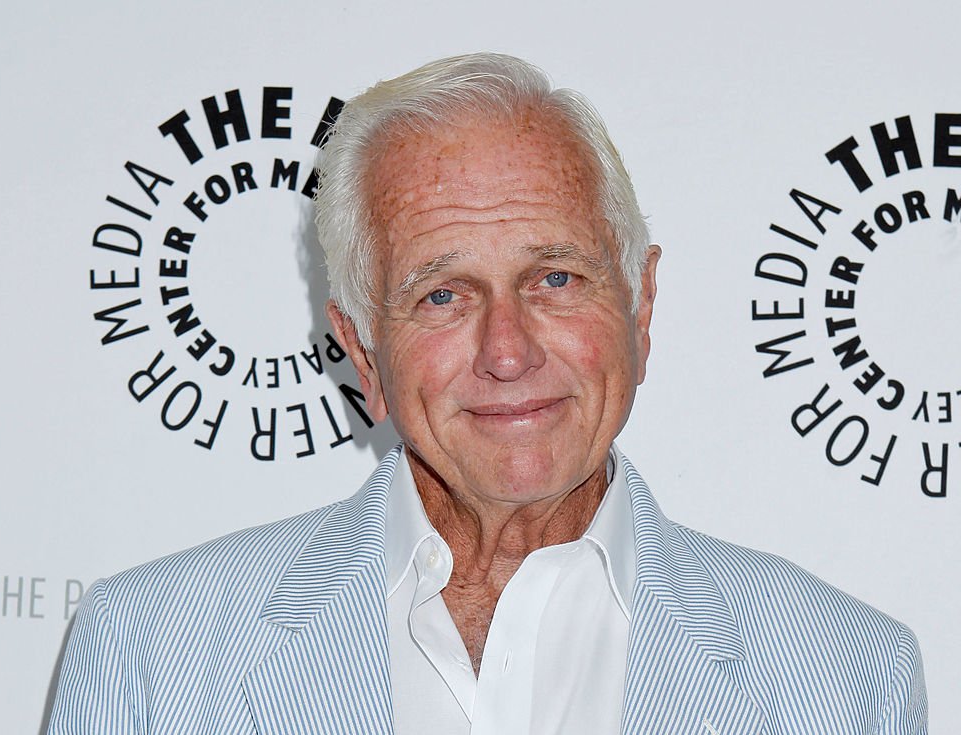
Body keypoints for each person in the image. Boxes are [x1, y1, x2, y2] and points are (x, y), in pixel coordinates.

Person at [47, 53, 928, 734]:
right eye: (442, 294)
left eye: (554, 278)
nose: (507, 352)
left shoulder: (848, 678)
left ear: (641, 306)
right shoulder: (151, 652)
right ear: (362, 348)